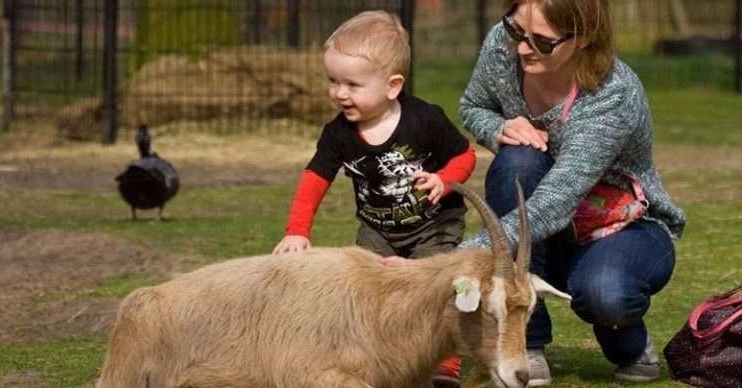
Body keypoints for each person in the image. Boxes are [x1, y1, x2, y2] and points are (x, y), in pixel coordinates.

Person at [457, 0, 686, 386]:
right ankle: (527, 342)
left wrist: (464, 255)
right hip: (549, 229)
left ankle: (628, 340)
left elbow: (554, 204)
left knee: (604, 294)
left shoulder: (612, 95)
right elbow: (473, 106)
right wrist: (499, 128)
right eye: (517, 31)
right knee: (518, 161)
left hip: (620, 225)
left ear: (582, 39)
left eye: (542, 42)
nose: (521, 48)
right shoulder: (503, 45)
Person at [272, 10, 477, 387]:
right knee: (371, 292)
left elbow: (465, 155)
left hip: (433, 224)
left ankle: (443, 363)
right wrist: (297, 231)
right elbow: (314, 179)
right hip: (378, 229)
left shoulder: (425, 120)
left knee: (434, 291)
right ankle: (380, 358)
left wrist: (444, 181)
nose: (339, 93)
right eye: (333, 81)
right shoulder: (337, 134)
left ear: (392, 85)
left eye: (352, 84)